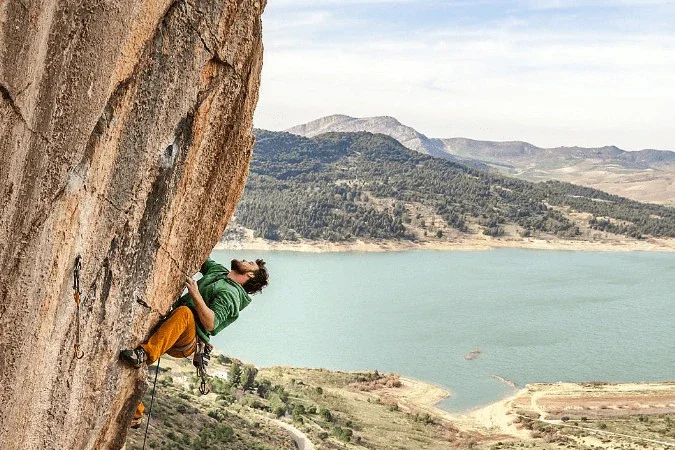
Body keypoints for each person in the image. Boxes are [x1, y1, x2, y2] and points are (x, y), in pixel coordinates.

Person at [120, 257, 269, 426]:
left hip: (188, 339)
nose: (244, 259)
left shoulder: (231, 295)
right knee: (128, 371)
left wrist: (195, 294)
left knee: (185, 312)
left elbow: (211, 323)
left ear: (249, 274)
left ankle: (144, 354)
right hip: (173, 327)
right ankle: (136, 413)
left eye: (249, 263)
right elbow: (201, 258)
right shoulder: (220, 272)